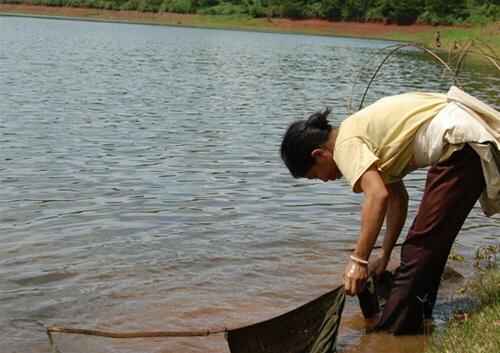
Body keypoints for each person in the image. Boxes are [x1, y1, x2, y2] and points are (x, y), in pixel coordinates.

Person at [280, 86, 500, 334]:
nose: (323, 180)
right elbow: (397, 200)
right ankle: (419, 319)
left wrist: (358, 261)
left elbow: (377, 195)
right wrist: (383, 256)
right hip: (465, 139)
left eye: (314, 176)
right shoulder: (357, 133)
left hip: (459, 143)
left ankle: (392, 334)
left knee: (419, 247)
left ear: (319, 155)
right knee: (431, 243)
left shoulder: (345, 145)